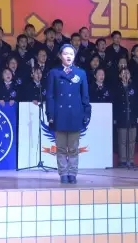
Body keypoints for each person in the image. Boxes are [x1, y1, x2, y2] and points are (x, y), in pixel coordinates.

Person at [45, 44, 91, 184]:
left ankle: (72, 173)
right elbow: (50, 96)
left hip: (75, 113)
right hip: (59, 114)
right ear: (60, 56)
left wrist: (86, 113)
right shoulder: (54, 72)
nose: (68, 56)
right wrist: (50, 114)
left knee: (73, 148)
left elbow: (85, 96)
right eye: (65, 54)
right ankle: (63, 173)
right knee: (60, 148)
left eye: (71, 54)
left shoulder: (80, 73)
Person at [113, 68, 138, 167]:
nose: (125, 75)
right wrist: (115, 117)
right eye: (123, 73)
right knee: (122, 140)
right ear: (120, 75)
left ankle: (131, 160)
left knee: (131, 140)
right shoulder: (117, 87)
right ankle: (123, 160)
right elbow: (115, 104)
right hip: (121, 116)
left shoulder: (133, 87)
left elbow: (137, 102)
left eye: (127, 73)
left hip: (132, 116)